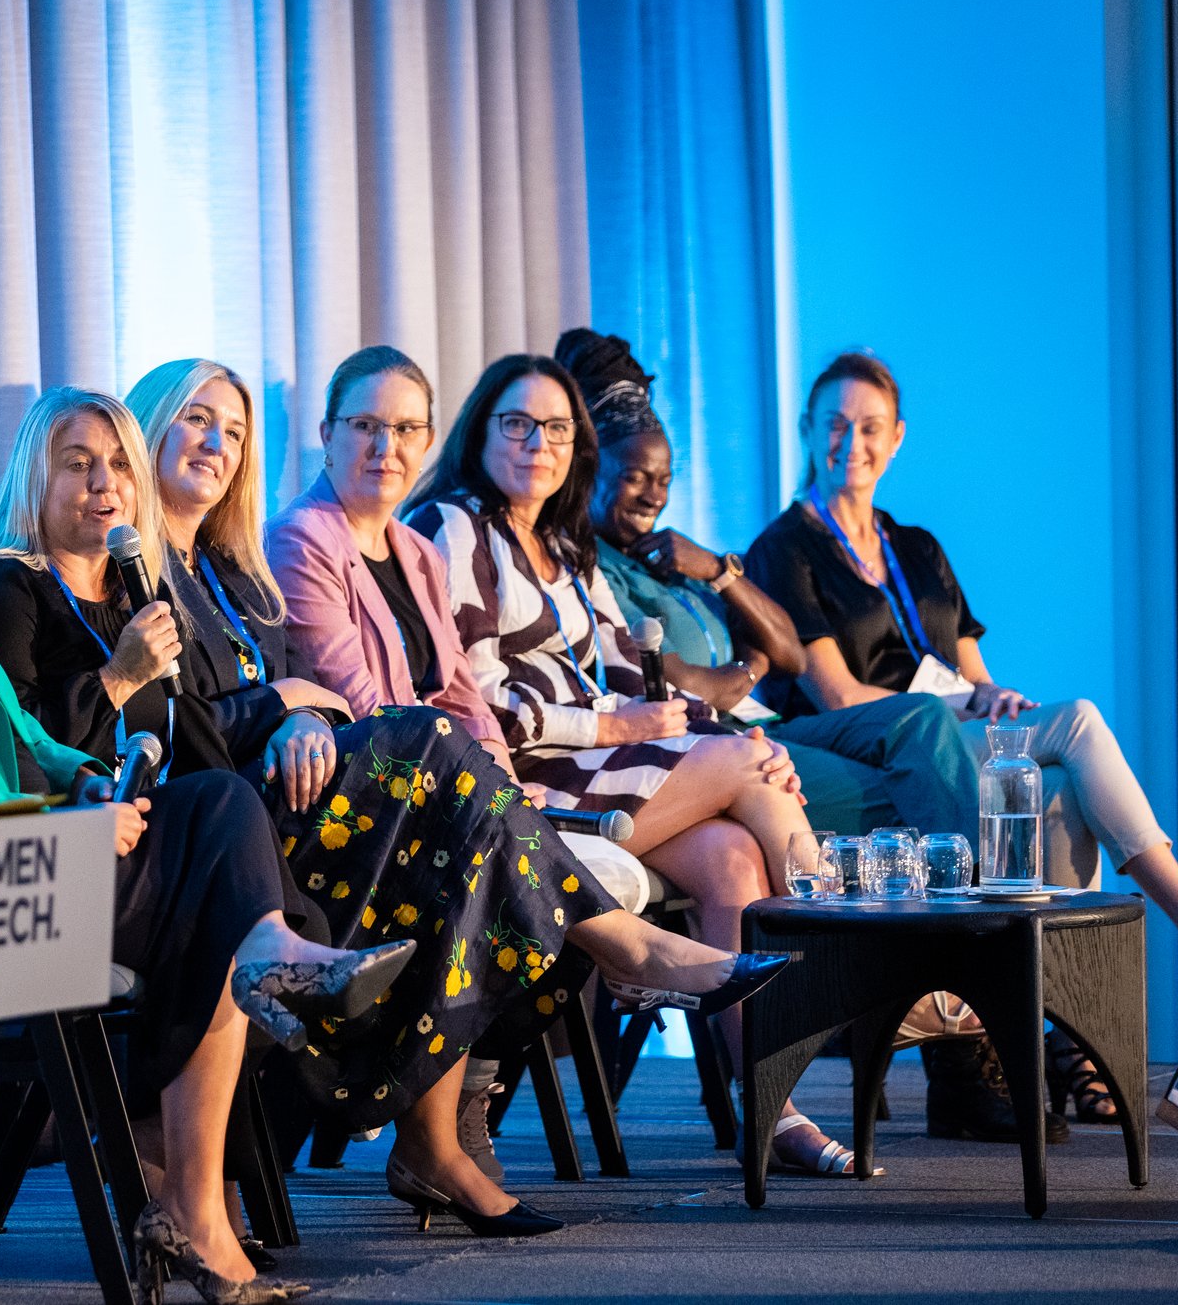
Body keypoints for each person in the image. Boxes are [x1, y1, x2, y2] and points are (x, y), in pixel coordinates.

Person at [0, 378, 786, 1235]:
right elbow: (24, 748)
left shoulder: (172, 582)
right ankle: (610, 949)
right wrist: (265, 706)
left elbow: (199, 728)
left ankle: (441, 1132)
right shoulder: (8, 588)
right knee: (428, 754)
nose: (104, 482)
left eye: (114, 463)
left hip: (219, 824)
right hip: (169, 849)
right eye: (79, 464)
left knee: (456, 811)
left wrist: (289, 710)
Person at [0, 380, 437, 1302]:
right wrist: (58, 822)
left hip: (0, 865)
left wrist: (78, 777)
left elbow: (21, 731)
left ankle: (201, 1168)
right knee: (224, 875)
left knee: (216, 807)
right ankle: (192, 1190)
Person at [371, 346, 867, 1177]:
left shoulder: (566, 549)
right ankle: (858, 958)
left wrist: (734, 728)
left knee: (733, 858)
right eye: (518, 423)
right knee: (745, 765)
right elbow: (478, 707)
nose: (539, 443)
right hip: (526, 778)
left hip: (611, 770)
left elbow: (638, 684)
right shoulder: (455, 528)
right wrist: (621, 731)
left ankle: (769, 1104)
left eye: (557, 428)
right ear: (480, 431)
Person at [747, 349, 1178, 1125]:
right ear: (807, 430)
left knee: (1060, 785)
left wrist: (992, 697)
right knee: (1073, 723)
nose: (850, 442)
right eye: (833, 424)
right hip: (858, 738)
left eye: (868, 427)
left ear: (896, 437)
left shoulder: (919, 549)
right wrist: (962, 706)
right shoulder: (785, 547)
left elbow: (973, 671)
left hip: (949, 728)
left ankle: (1057, 1021)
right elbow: (834, 690)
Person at [557, 329, 984, 847]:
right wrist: (750, 666)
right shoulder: (594, 573)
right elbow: (693, 686)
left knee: (931, 728)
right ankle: (973, 914)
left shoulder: (670, 561)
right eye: (635, 477)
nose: (654, 497)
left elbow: (789, 653)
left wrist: (717, 569)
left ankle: (981, 910)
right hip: (717, 744)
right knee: (910, 773)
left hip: (763, 728)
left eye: (665, 480)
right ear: (591, 472)